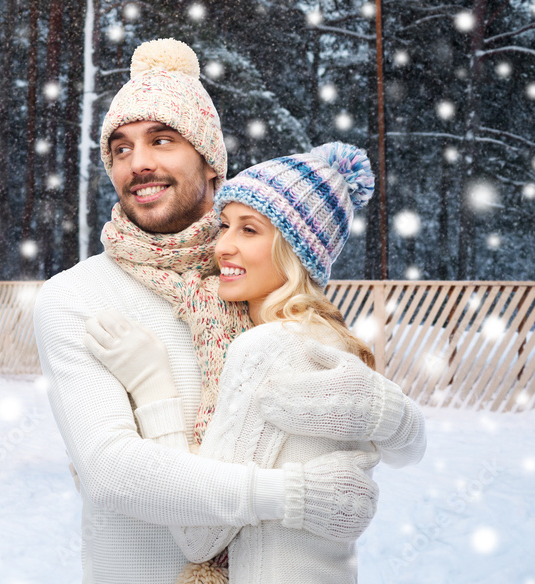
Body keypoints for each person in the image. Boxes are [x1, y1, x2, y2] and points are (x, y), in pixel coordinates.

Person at [33, 38, 392, 584]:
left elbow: (333, 444)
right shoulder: (74, 298)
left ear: (212, 163)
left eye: (163, 140)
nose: (140, 163)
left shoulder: (261, 279)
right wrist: (295, 496)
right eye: (121, 148)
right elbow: (114, 471)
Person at [84, 142, 427, 583]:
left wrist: (153, 386)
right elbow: (407, 449)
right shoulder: (330, 342)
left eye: (249, 231)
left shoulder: (267, 348)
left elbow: (198, 534)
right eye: (224, 225)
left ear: (296, 252)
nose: (222, 246)